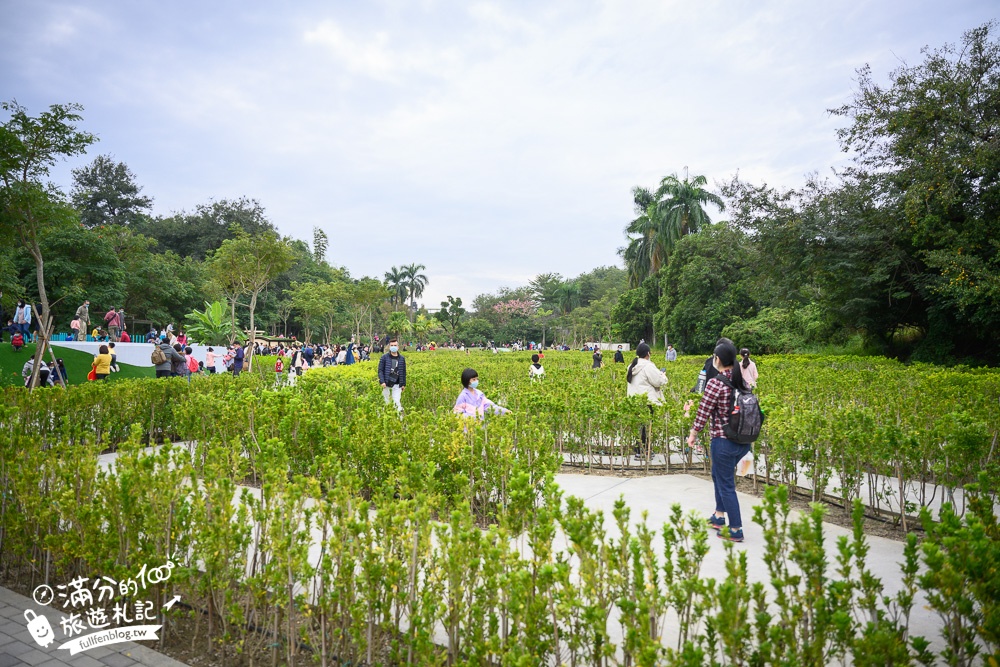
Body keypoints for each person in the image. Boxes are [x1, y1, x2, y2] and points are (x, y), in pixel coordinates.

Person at [686, 340, 752, 543]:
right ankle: (719, 515)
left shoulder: (716, 383)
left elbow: (703, 411)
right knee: (719, 475)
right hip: (743, 441)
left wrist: (693, 434)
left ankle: (736, 528)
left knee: (726, 484)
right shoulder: (742, 381)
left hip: (723, 441)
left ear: (717, 359)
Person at [626, 342, 668, 459]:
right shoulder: (648, 366)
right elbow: (658, 381)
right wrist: (663, 375)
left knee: (639, 425)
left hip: (634, 400)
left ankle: (639, 450)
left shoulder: (632, 365)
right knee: (647, 426)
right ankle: (645, 451)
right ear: (648, 353)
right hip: (646, 400)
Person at [377, 338, 406, 412]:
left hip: (397, 384)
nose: (393, 347)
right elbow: (380, 370)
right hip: (386, 384)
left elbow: (403, 371)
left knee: (396, 402)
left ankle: (398, 419)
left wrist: (403, 384)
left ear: (398, 347)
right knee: (386, 402)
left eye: (395, 345)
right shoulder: (384, 357)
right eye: (392, 345)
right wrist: (382, 381)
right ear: (389, 347)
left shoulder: (402, 358)